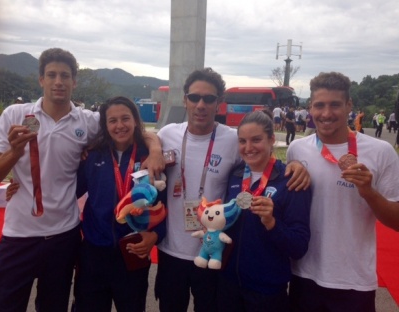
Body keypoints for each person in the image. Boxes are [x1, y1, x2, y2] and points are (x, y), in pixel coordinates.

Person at [0, 48, 163, 312]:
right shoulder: (15, 115)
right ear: (41, 79)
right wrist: (14, 154)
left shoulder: (88, 122)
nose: (59, 81)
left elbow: (130, 127)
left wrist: (156, 150)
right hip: (18, 234)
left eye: (65, 76)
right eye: (52, 75)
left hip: (63, 237)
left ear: (74, 81)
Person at [154, 68, 310, 312]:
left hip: (215, 254)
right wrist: (153, 148)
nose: (201, 104)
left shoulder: (230, 139)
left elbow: (260, 167)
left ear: (219, 103)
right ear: (185, 99)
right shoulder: (166, 134)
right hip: (171, 250)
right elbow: (145, 139)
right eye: (194, 97)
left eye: (209, 98)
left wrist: (296, 164)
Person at [287, 72, 399, 312]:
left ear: (349, 105)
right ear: (310, 108)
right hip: (303, 275)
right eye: (319, 105)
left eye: (335, 105)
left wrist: (368, 192)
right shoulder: (296, 150)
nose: (326, 114)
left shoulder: (381, 151)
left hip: (354, 281)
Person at [73, 96, 167, 311]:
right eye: (112, 120)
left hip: (133, 251)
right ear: (105, 126)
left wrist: (156, 234)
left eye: (125, 118)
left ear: (135, 120)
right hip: (94, 252)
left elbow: (162, 205)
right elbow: (71, 190)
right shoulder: (93, 154)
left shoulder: (149, 157)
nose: (119, 125)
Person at [217, 110, 311, 312]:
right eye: (242, 141)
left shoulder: (290, 181)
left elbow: (299, 247)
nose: (248, 148)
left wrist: (272, 223)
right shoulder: (234, 175)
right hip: (228, 284)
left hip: (267, 291)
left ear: (271, 140)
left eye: (256, 140)